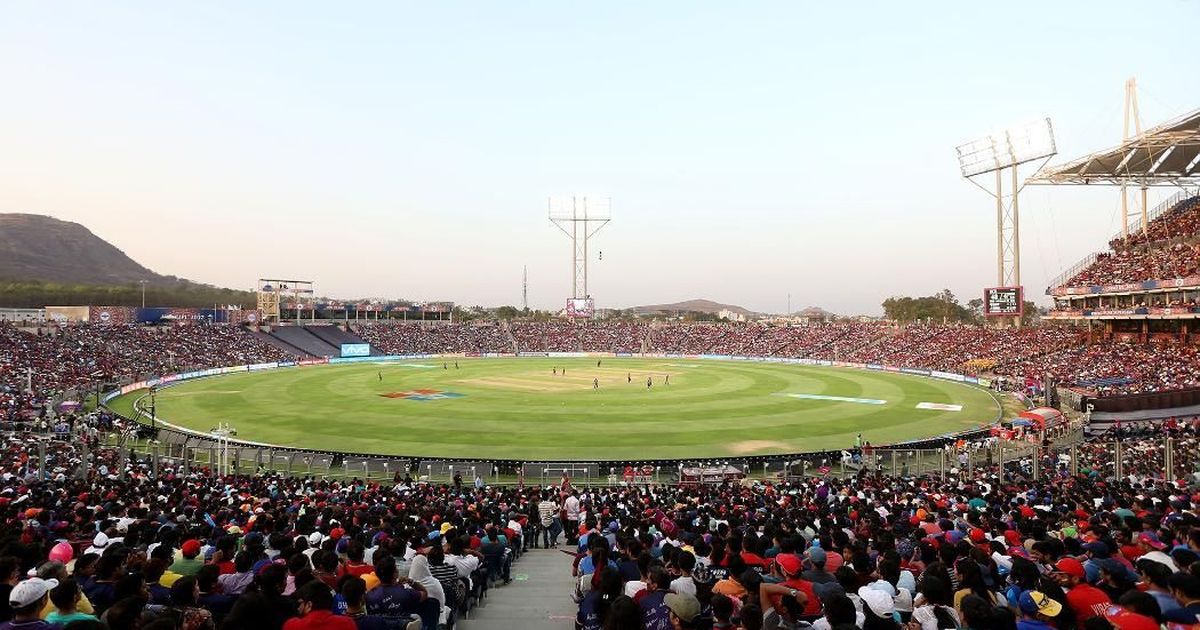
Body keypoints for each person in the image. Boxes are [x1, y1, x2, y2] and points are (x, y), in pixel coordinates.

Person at [285, 580, 357, 630]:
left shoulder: (292, 626)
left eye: (300, 604)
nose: (298, 608)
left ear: (309, 605)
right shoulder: (347, 624)